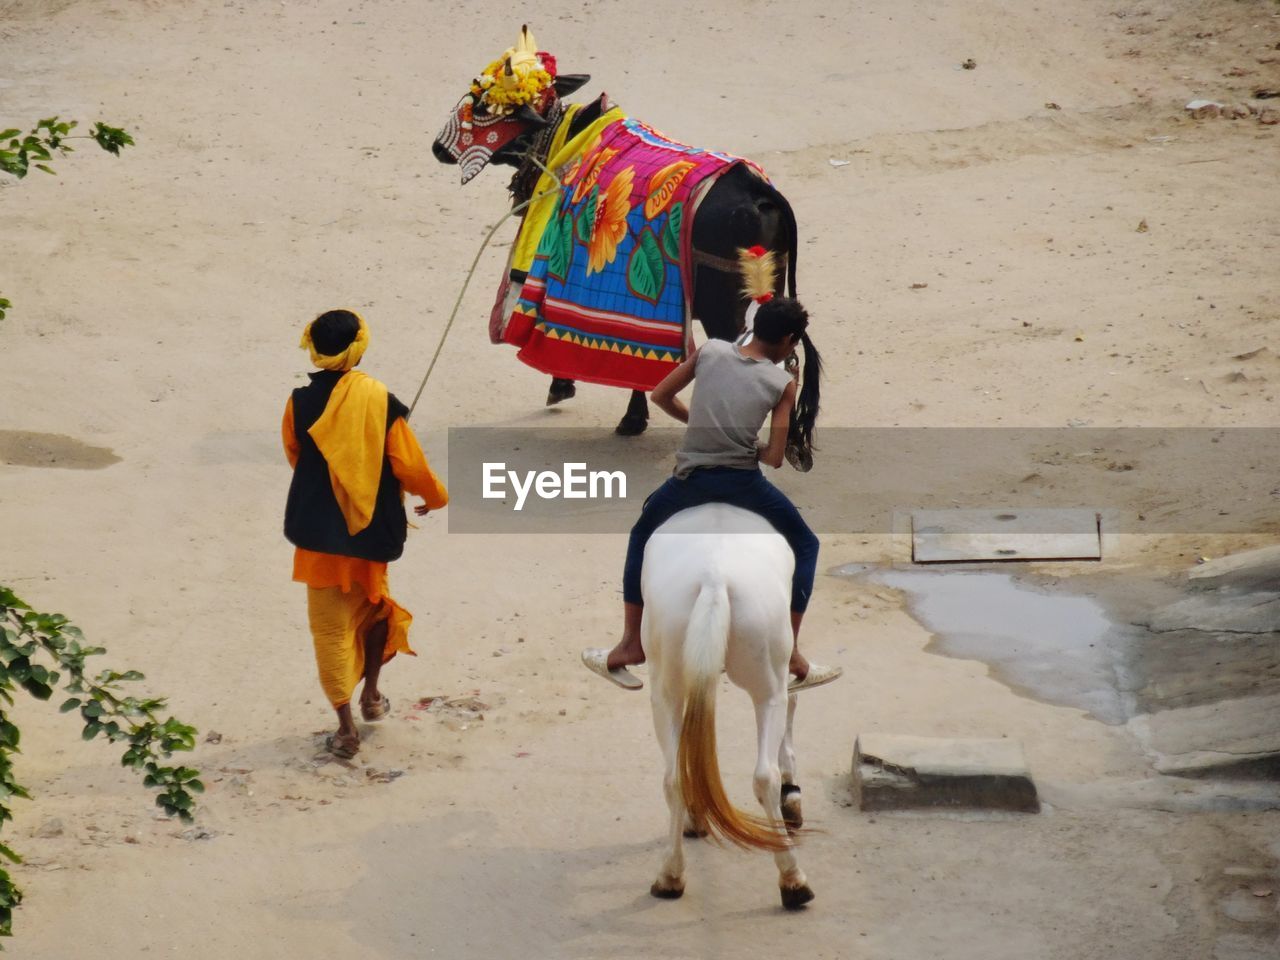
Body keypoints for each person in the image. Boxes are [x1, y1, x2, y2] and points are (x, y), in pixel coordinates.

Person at [581, 297, 841, 693]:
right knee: (806, 544)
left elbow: (660, 396)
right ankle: (789, 652)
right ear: (789, 339)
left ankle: (631, 642)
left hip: (689, 481)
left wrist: (700, 424)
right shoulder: (781, 383)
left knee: (640, 535)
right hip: (742, 484)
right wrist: (747, 440)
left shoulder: (711, 350)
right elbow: (773, 459)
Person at [283, 309, 448, 759]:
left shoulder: (298, 401)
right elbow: (408, 464)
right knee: (375, 608)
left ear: (315, 350)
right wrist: (436, 498)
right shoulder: (378, 400)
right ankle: (372, 695)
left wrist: (331, 483)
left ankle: (344, 730)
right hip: (369, 530)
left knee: (329, 630)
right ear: (359, 347)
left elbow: (295, 452)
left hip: (317, 535)